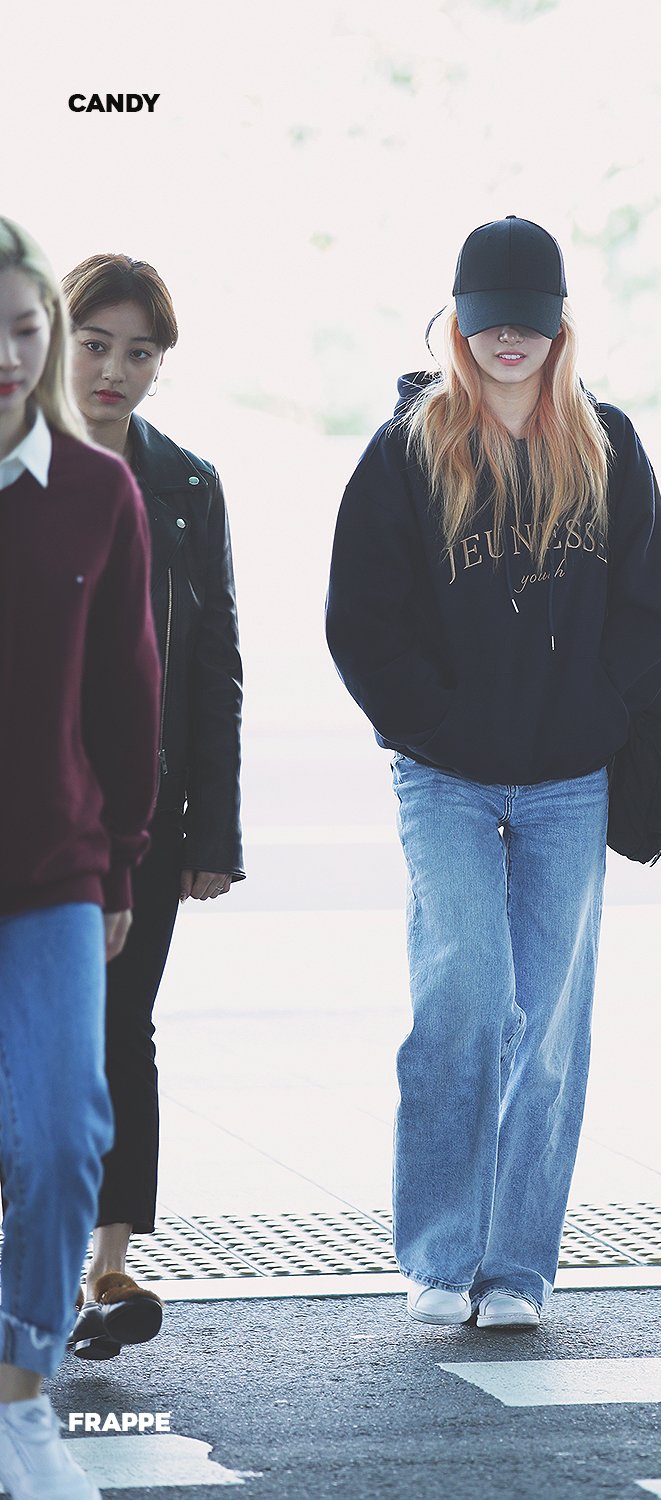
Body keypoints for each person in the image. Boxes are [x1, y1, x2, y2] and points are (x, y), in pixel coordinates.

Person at [326, 215, 661, 1328]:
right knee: (467, 995)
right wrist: (434, 723)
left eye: (531, 319)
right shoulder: (408, 448)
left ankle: (517, 1269)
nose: (510, 339)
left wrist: (595, 716)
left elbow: (651, 611)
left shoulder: (607, 443)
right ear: (458, 321)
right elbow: (359, 621)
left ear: (560, 325)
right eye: (490, 320)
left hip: (570, 776)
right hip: (445, 775)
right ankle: (440, 1256)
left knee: (552, 1023)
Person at [0, 219, 160, 1499]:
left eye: (25, 327)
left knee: (62, 1139)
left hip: (52, 871)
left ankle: (20, 1392)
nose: (11, 354)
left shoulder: (100, 492)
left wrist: (120, 868)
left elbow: (128, 698)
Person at [61, 254, 245, 1359]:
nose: (115, 370)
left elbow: (214, 664)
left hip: (142, 805)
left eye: (139, 353)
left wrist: (212, 830)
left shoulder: (185, 487)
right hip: (29, 804)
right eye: (97, 345)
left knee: (122, 1028)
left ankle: (110, 1265)